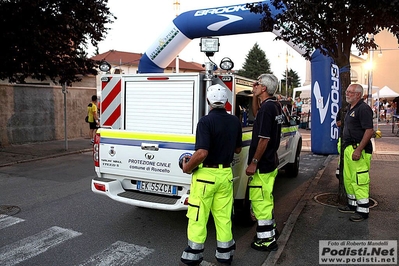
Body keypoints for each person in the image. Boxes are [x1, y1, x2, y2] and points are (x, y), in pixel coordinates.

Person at [179, 84, 242, 266]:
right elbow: (238, 148)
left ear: (208, 101)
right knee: (223, 216)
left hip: (206, 175)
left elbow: (202, 153)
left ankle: (194, 255)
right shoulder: (235, 121)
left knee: (198, 215)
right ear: (226, 102)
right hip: (225, 174)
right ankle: (225, 254)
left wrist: (188, 167)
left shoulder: (205, 122)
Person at [245, 74, 284, 252]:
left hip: (263, 163)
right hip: (270, 161)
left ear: (264, 89)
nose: (254, 85)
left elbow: (263, 139)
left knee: (260, 201)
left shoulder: (268, 109)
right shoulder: (273, 105)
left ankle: (266, 240)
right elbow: (256, 114)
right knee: (266, 199)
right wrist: (254, 96)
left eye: (257, 84)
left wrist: (254, 162)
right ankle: (270, 231)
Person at [338, 84, 374, 222]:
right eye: (347, 91)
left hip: (358, 148)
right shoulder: (350, 108)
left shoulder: (363, 109)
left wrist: (359, 149)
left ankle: (363, 210)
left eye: (351, 92)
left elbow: (369, 130)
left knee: (359, 180)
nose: (347, 94)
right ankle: (352, 204)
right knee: (349, 179)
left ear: (358, 94)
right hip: (349, 148)